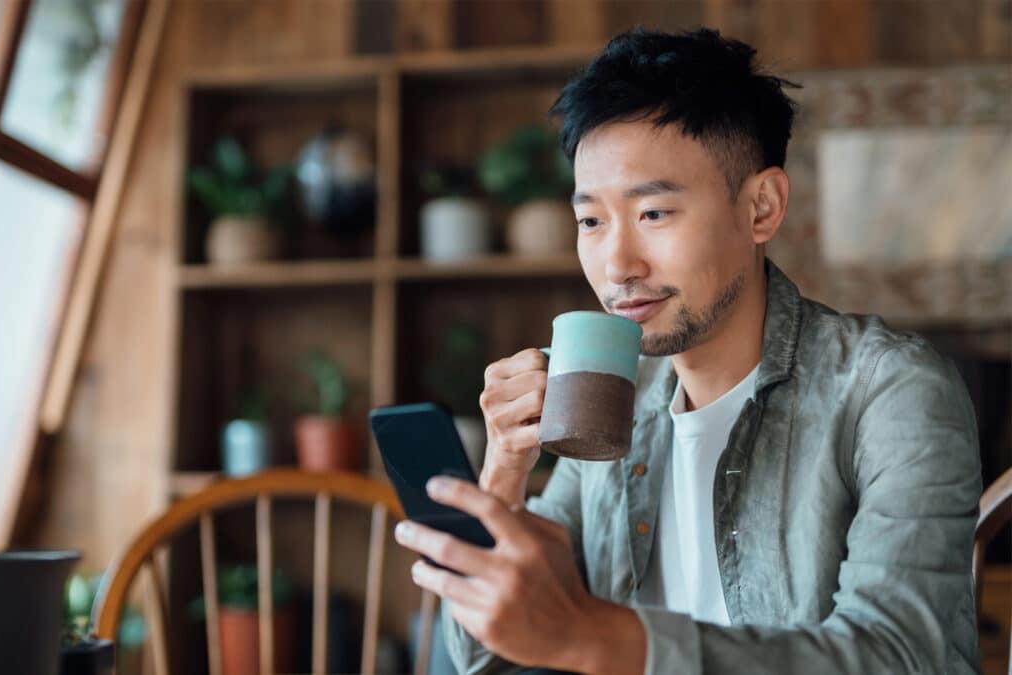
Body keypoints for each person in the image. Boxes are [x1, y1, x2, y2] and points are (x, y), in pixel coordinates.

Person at [392, 27, 981, 674]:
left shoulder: (890, 390)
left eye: (654, 214)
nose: (616, 264)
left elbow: (899, 656)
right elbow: (483, 658)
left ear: (762, 207)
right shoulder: (617, 397)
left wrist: (596, 636)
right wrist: (504, 472)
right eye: (591, 220)